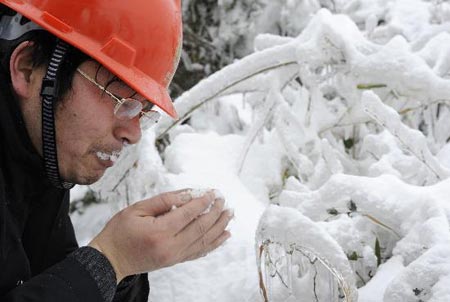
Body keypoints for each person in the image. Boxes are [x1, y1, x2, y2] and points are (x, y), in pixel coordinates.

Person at [0, 1, 232, 301]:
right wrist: (112, 260)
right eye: (119, 98)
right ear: (28, 67)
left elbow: (51, 274)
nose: (133, 133)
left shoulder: (39, 152)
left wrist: (121, 271)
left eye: (143, 111)